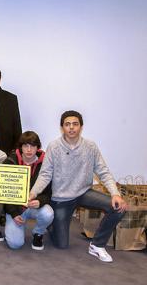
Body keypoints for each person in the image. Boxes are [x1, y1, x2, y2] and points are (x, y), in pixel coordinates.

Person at [29, 110, 127, 262]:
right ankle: (51, 224)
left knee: (118, 207)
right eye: (67, 124)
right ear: (62, 127)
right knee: (61, 245)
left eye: (75, 124)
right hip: (61, 198)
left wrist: (116, 194)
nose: (71, 128)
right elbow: (45, 175)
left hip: (83, 192)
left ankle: (97, 245)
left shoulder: (90, 146)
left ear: (81, 127)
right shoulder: (54, 147)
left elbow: (103, 172)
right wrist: (33, 193)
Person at [3, 131, 54, 250]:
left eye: (33, 146)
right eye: (26, 146)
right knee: (15, 244)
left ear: (38, 147)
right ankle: (12, 223)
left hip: (34, 206)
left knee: (48, 213)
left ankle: (38, 233)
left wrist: (40, 201)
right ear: (20, 147)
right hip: (16, 208)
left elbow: (49, 192)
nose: (29, 150)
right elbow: (3, 192)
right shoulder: (10, 162)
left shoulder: (46, 163)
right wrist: (14, 213)